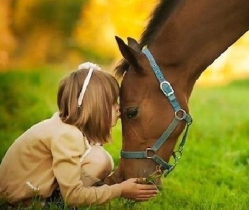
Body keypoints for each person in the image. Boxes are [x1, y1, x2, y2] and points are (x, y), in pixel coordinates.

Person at [0, 62, 158, 208]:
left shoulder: (66, 128)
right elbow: (73, 196)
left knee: (100, 158)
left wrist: (115, 180)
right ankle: (54, 205)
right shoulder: (67, 136)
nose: (119, 108)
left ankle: (56, 202)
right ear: (95, 106)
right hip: (17, 202)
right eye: (113, 102)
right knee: (99, 159)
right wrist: (120, 190)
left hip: (29, 191)